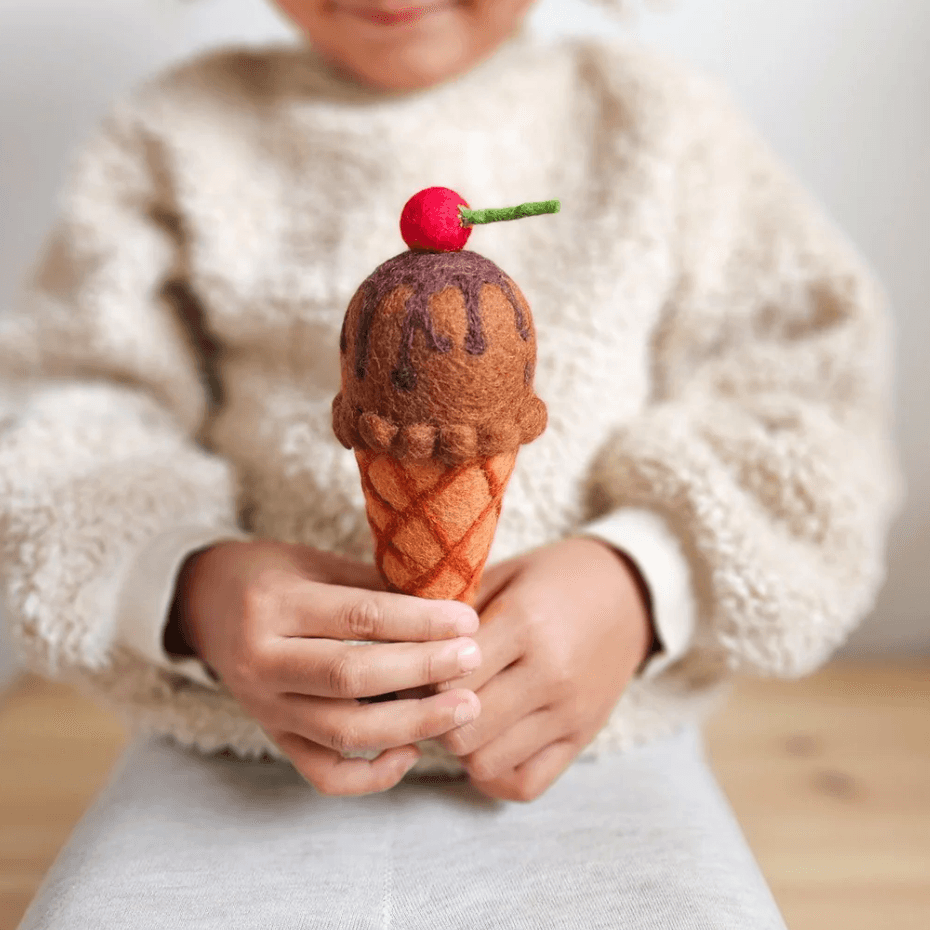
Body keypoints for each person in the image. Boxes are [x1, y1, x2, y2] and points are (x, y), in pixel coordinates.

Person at [3, 1, 901, 927]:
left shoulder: (658, 123)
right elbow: (66, 411)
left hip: (605, 755)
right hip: (228, 747)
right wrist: (191, 591)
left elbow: (808, 402)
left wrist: (641, 582)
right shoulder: (172, 134)